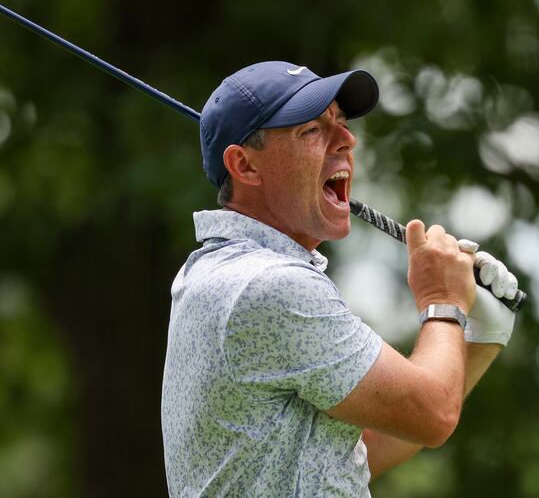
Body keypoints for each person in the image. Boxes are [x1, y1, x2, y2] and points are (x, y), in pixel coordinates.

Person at [160, 61, 519, 497]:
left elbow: (367, 448)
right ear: (245, 166)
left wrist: (479, 336)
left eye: (341, 124)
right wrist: (443, 301)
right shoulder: (269, 285)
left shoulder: (218, 272)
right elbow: (432, 414)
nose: (347, 140)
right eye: (310, 130)